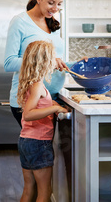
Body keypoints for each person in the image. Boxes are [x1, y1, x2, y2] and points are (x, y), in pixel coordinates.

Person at [4, 0, 71, 126]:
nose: (55, 9)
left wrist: (76, 65)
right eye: (51, 3)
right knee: (37, 146)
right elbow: (9, 63)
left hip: (52, 97)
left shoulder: (52, 24)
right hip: (30, 101)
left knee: (48, 147)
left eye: (59, 4)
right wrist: (48, 62)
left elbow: (55, 61)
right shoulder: (20, 22)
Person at [17, 40, 68, 202]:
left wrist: (53, 104)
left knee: (28, 189)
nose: (56, 61)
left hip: (26, 141)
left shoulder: (33, 84)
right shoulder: (38, 85)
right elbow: (28, 114)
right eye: (53, 57)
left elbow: (38, 104)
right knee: (45, 191)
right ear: (44, 61)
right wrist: (55, 109)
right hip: (39, 143)